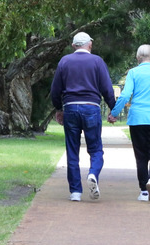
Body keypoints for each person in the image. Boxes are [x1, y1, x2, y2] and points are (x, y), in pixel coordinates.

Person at [50, 32, 117, 202]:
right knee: (95, 149)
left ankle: (75, 192)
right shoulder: (97, 61)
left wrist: (59, 108)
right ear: (90, 44)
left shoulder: (64, 61)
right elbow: (107, 89)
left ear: (74, 46)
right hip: (91, 108)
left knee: (72, 150)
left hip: (71, 108)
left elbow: (55, 90)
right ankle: (93, 174)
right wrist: (112, 110)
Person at [108, 44, 150, 204]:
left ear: (138, 58)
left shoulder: (133, 73)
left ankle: (144, 191)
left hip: (138, 119)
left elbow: (125, 95)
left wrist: (114, 113)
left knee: (141, 156)